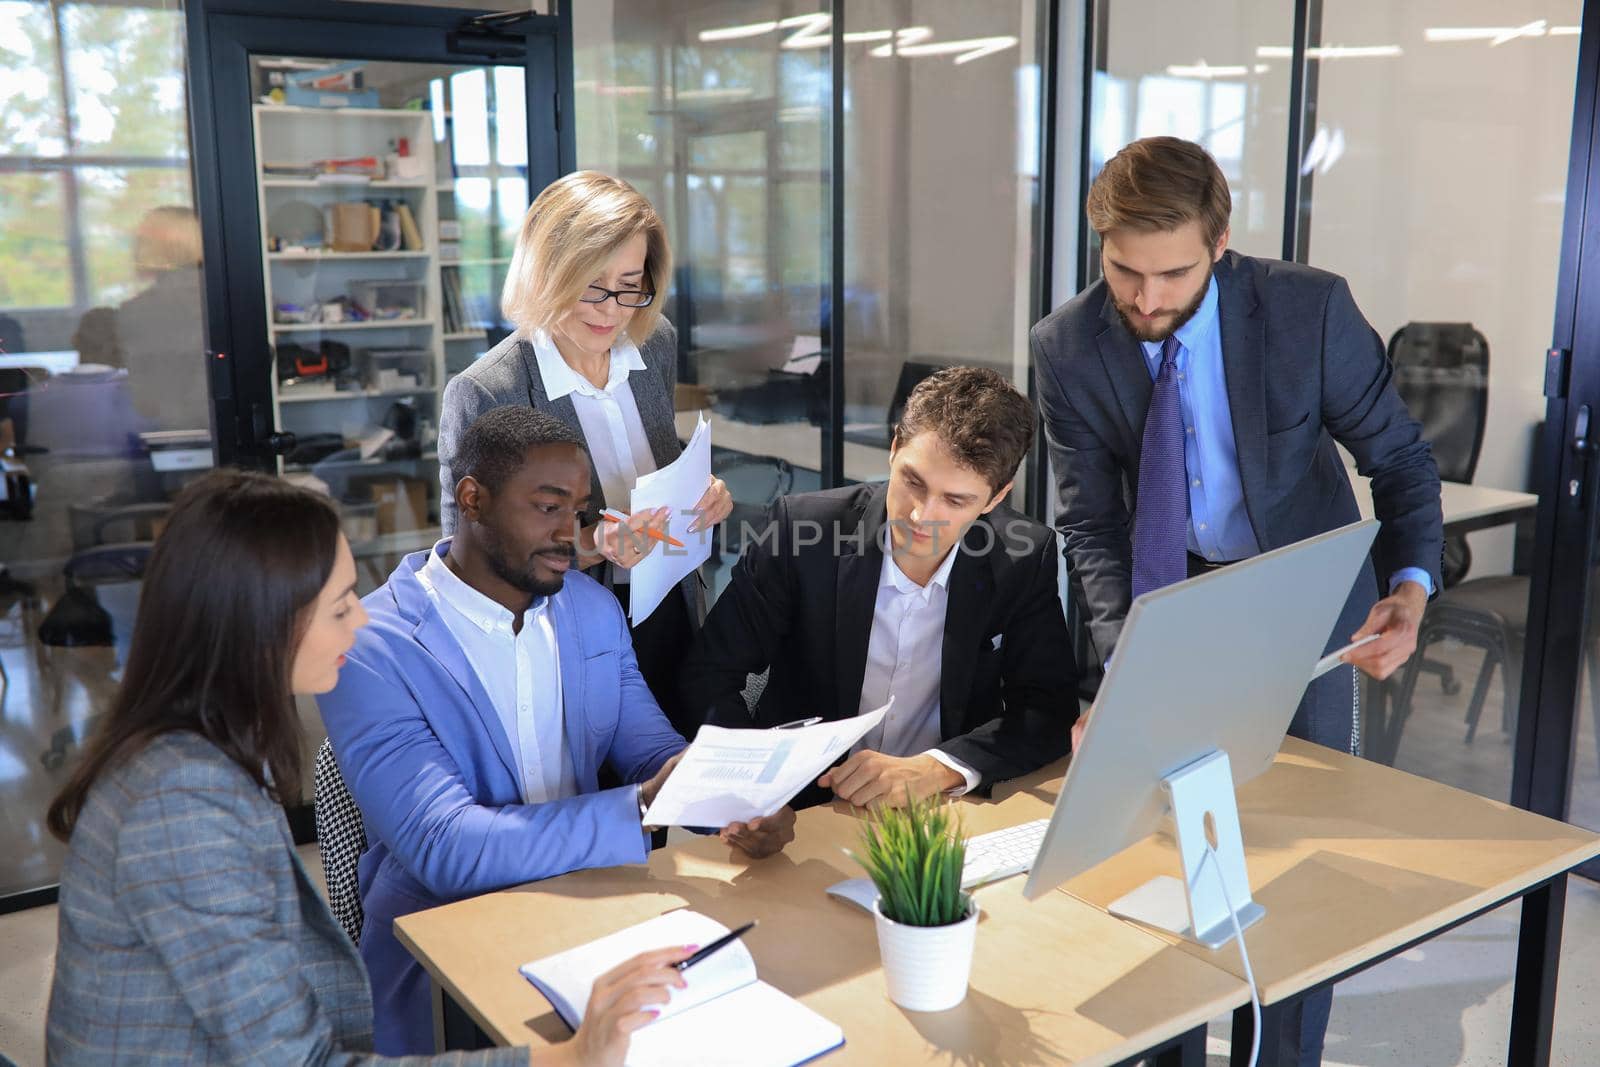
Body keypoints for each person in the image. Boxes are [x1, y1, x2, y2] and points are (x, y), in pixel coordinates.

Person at [44, 469, 692, 1066]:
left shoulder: (197, 752)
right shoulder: (183, 804)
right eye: (341, 605)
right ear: (260, 624)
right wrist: (566, 1056)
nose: (362, 621)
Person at [1031, 136, 1444, 1065]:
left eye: (1172, 273)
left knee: (1293, 859)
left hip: (1305, 599)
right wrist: (1119, 670)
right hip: (1175, 607)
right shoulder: (1066, 344)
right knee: (1172, 852)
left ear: (1221, 243)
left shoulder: (1307, 310)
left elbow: (1401, 460)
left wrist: (1411, 588)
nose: (1145, 299)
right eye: (1123, 271)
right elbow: (1091, 526)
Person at [319, 407, 796, 1055]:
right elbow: (442, 844)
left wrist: (728, 800)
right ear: (472, 498)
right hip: (446, 950)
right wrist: (645, 806)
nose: (569, 534)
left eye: (578, 511)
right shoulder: (372, 646)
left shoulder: (592, 608)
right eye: (547, 507)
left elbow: (650, 751)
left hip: (591, 913)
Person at [680, 366, 1079, 810]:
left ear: (996, 498)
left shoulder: (1024, 557)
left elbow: (1048, 708)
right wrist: (754, 792)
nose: (922, 516)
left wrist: (939, 767)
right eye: (913, 482)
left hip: (945, 807)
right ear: (893, 449)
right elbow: (709, 673)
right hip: (806, 807)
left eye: (955, 500)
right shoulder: (802, 530)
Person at [439, 172, 728, 738]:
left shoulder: (654, 339)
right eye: (591, 286)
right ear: (547, 273)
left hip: (669, 602)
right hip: (564, 629)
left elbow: (652, 462)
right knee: (601, 801)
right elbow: (467, 562)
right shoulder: (487, 391)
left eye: (629, 285)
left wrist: (700, 491)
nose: (612, 309)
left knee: (675, 785)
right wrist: (592, 545)